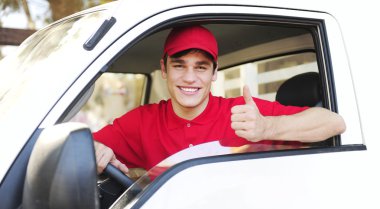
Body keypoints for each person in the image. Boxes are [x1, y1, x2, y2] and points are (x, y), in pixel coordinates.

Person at [93, 25, 346, 175]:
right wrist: (95, 150)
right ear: (164, 69)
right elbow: (78, 149)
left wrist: (267, 127)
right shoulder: (142, 121)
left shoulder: (243, 112)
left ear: (214, 73)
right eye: (179, 66)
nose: (190, 78)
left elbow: (334, 123)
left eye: (201, 68)